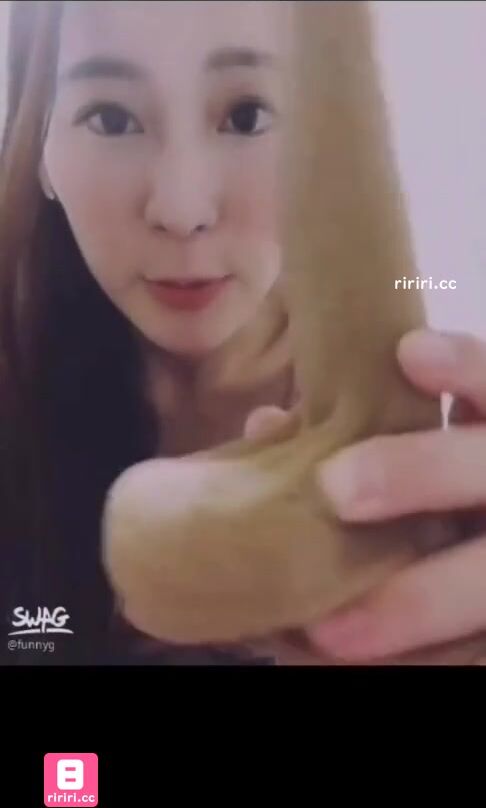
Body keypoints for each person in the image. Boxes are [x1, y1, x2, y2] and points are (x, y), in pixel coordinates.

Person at [0, 0, 485, 666]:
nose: (182, 208)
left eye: (247, 115)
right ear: (41, 151)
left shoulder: (440, 420)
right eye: (111, 118)